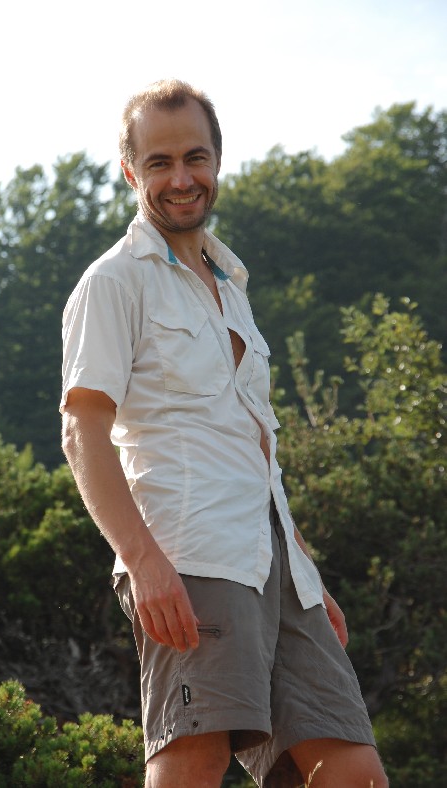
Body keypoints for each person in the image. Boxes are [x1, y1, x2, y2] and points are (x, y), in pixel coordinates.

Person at [60, 79, 388, 787]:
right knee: (193, 761)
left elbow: (251, 442)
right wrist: (143, 562)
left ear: (217, 160)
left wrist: (304, 567)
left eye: (195, 158)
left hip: (277, 566)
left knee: (352, 771)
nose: (181, 178)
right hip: (191, 556)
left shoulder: (231, 285)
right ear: (131, 173)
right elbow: (83, 427)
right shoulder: (115, 282)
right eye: (159, 162)